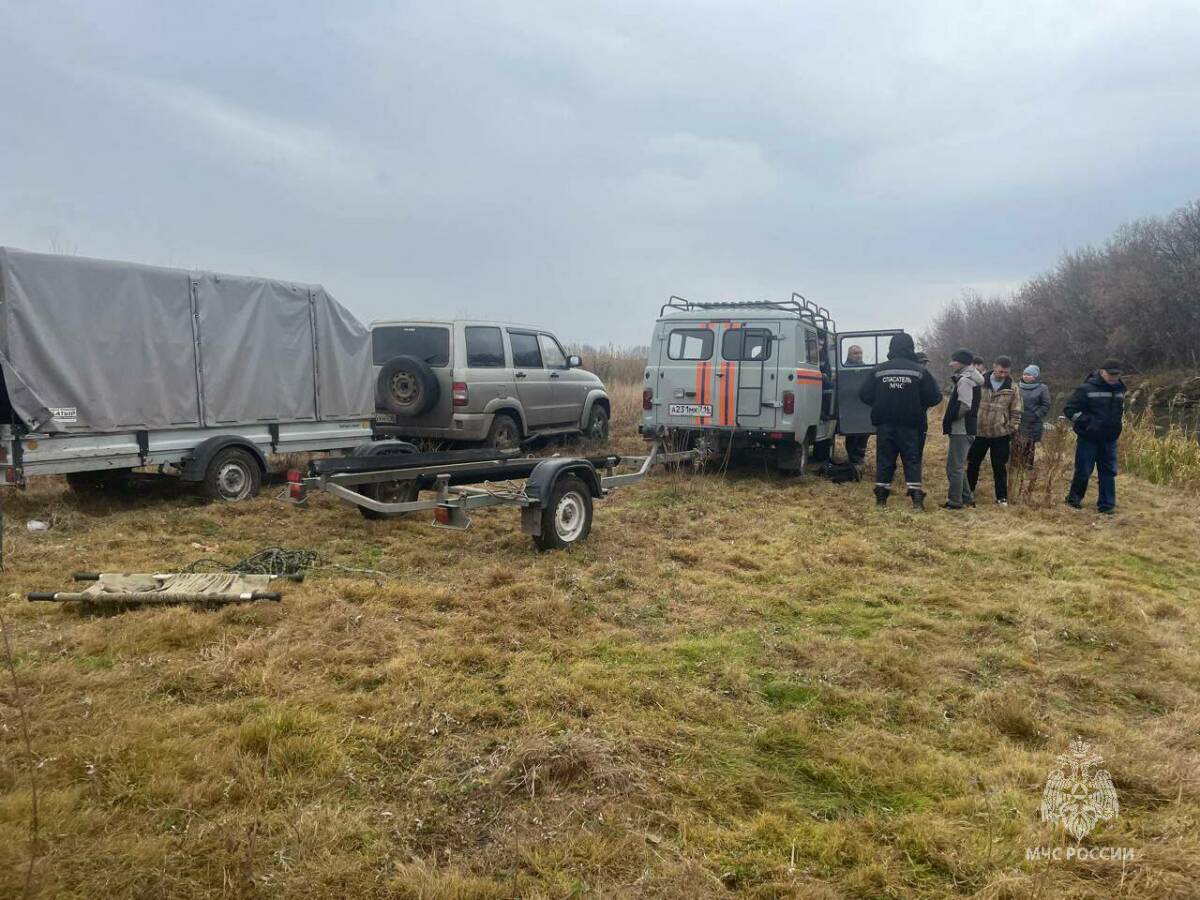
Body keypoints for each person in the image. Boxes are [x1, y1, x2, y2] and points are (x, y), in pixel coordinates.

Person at [858, 332, 941, 509]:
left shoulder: (879, 370)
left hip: (884, 423)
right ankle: (917, 500)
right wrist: (918, 404)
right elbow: (935, 397)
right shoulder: (919, 371)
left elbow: (864, 394)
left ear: (891, 347)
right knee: (912, 459)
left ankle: (881, 499)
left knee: (884, 460)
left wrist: (880, 402)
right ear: (911, 347)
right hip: (911, 424)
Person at [1064, 360, 1126, 514]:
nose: (1114, 377)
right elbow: (1069, 409)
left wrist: (1117, 426)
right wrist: (1088, 422)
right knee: (1084, 471)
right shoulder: (1086, 388)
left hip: (1110, 438)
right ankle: (1074, 500)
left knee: (1108, 472)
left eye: (1117, 374)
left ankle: (1107, 505)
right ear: (1102, 372)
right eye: (1111, 374)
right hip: (1088, 438)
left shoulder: (1120, 389)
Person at [966, 355, 1022, 506]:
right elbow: (969, 403)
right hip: (979, 432)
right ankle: (968, 491)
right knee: (973, 463)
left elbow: (1016, 410)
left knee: (999, 466)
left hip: (1000, 434)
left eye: (1006, 372)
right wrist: (970, 423)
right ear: (994, 367)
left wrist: (1011, 428)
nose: (1002, 375)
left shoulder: (1013, 388)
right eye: (1000, 371)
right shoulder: (980, 382)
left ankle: (1001, 497)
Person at [942, 349, 984, 509]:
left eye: (953, 361)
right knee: (957, 466)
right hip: (967, 428)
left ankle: (955, 502)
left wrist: (951, 417)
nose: (950, 364)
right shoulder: (970, 378)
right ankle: (967, 499)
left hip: (961, 429)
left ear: (961, 363)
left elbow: (965, 405)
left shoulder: (965, 380)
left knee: (954, 468)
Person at [1015, 364, 1051, 468]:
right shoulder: (1017, 387)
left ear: (1035, 376)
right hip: (1018, 420)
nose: (1026, 376)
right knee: (1016, 445)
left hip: (1033, 422)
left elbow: (1046, 404)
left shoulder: (1042, 388)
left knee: (1029, 446)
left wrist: (1036, 415)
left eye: (1029, 375)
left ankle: (1027, 469)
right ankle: (1015, 469)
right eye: (1025, 374)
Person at [842, 343, 869, 464]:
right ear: (849, 355)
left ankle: (860, 455)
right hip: (850, 405)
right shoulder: (844, 368)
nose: (859, 355)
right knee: (852, 433)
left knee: (865, 432)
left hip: (863, 405)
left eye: (860, 353)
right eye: (856, 353)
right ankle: (853, 457)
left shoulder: (866, 368)